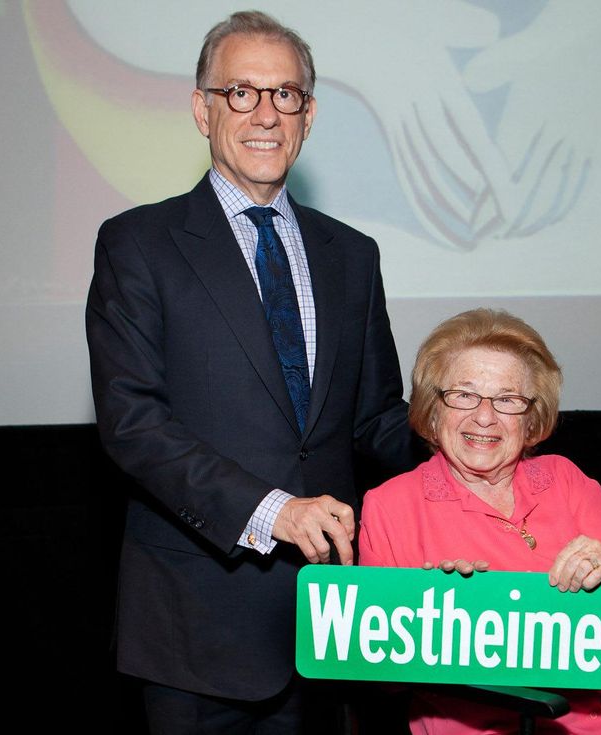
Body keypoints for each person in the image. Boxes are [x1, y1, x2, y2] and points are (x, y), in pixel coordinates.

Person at [85, 11, 416, 734]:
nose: (266, 113)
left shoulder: (351, 255)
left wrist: (473, 428)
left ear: (310, 113)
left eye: (286, 94)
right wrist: (276, 510)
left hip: (331, 633)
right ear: (202, 108)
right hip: (197, 631)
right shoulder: (139, 245)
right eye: (241, 92)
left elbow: (375, 419)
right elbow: (134, 425)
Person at [358, 308, 601, 734]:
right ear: (432, 408)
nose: (484, 416)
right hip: (490, 725)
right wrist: (433, 621)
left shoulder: (563, 479)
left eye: (508, 400)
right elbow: (379, 675)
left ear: (531, 418)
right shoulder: (390, 505)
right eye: (464, 394)